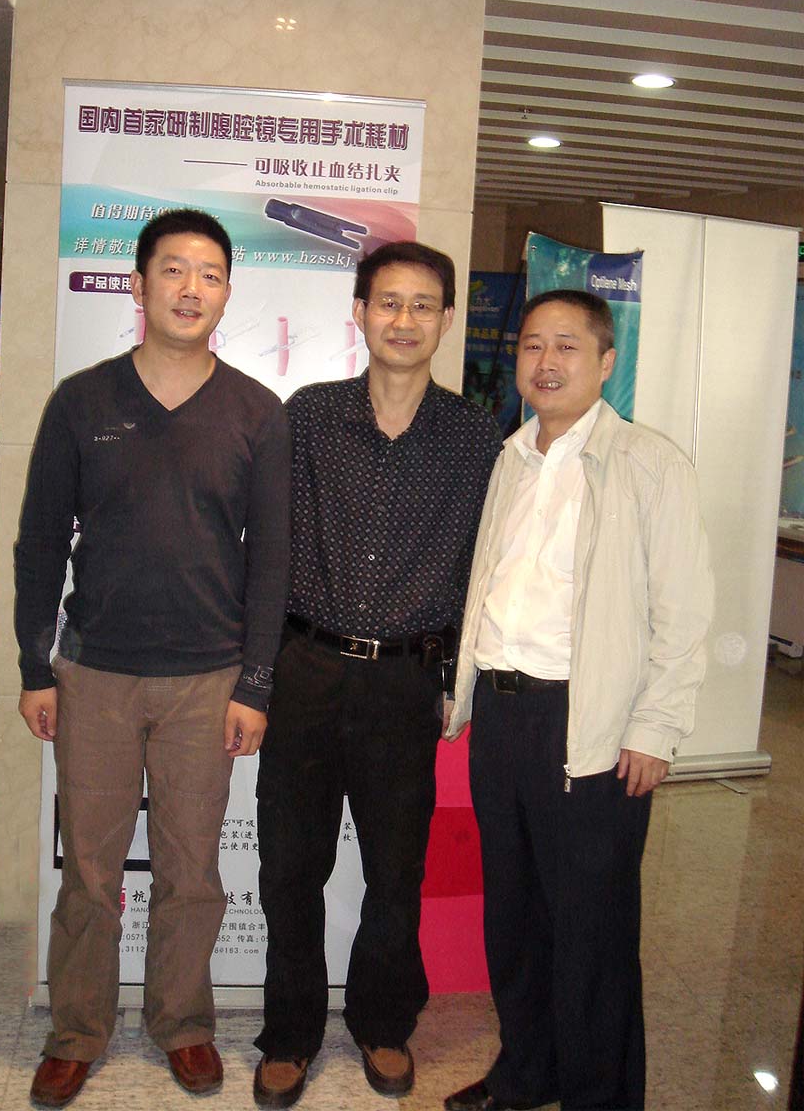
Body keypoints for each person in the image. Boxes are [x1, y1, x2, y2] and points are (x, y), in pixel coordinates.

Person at [15, 208, 291, 1107]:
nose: (190, 288)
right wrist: (33, 667)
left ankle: (183, 1023)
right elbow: (39, 541)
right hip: (93, 672)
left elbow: (272, 560)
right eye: (172, 270)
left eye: (209, 274)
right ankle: (76, 1031)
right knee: (90, 873)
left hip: (207, 679)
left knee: (191, 872)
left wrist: (256, 682)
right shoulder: (82, 401)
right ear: (138, 285)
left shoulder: (256, 412)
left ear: (227, 293)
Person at [444, 289, 713, 1111]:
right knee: (516, 918)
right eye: (532, 345)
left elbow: (684, 611)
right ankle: (528, 1075)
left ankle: (600, 1095)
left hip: (590, 725)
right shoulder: (511, 457)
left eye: (567, 346)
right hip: (503, 716)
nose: (547, 362)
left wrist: (655, 727)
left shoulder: (649, 464)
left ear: (606, 362)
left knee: (591, 929)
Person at [252, 241, 502, 1108]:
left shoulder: (475, 436)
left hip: (405, 682)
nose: (404, 320)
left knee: (397, 873)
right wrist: (259, 673)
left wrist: (458, 678)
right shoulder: (309, 416)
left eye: (423, 304)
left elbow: (483, 567)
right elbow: (268, 549)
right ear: (359, 313)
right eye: (387, 302)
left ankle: (384, 1023)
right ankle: (289, 1033)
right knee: (291, 867)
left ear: (446, 318)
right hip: (308, 670)